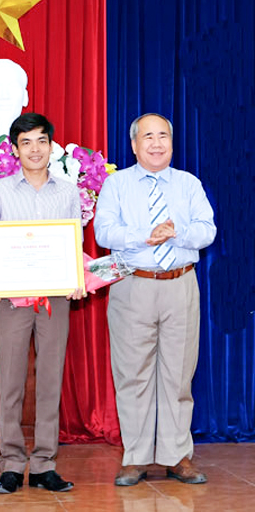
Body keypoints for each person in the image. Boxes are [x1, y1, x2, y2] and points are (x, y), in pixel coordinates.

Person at [94, 113, 216, 486]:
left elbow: (207, 229)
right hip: (134, 285)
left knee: (179, 374)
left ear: (172, 143)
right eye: (148, 136)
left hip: (180, 284)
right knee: (133, 374)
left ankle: (177, 455)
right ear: (134, 145)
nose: (156, 143)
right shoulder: (116, 184)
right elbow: (104, 231)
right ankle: (136, 457)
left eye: (163, 135)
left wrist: (175, 233)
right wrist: (145, 235)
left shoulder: (188, 184)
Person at [0, 113, 83, 494]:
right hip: (11, 300)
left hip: (56, 298)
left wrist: (75, 279)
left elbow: (75, 243)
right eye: (26, 142)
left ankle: (43, 465)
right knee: (11, 383)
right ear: (15, 149)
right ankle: (11, 464)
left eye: (41, 141)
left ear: (52, 146)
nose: (35, 149)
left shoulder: (69, 191)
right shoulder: (0, 190)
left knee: (51, 381)